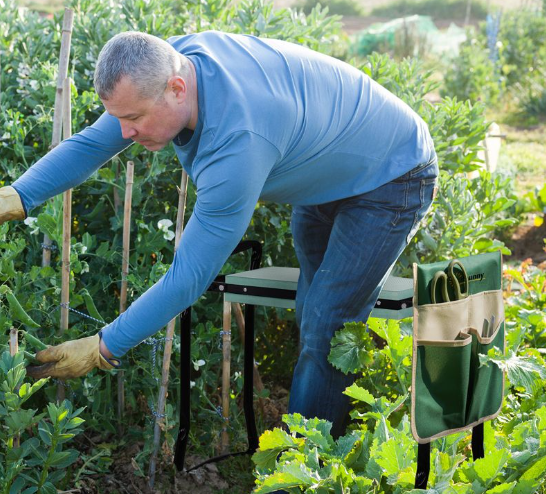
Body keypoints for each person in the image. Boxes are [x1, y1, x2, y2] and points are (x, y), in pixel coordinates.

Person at [1, 31, 437, 445]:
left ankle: (304, 470)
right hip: (330, 164)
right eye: (120, 117)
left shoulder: (237, 144)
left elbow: (188, 276)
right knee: (314, 311)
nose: (126, 132)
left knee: (328, 320)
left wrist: (103, 347)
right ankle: (325, 429)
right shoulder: (171, 62)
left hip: (392, 175)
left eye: (133, 119)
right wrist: (17, 196)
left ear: (175, 88)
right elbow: (93, 142)